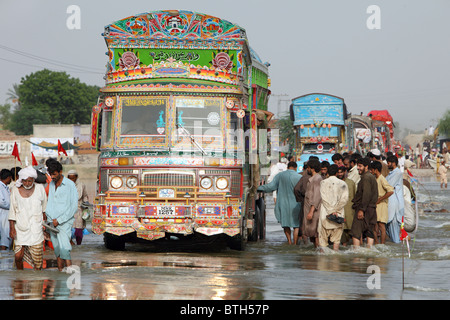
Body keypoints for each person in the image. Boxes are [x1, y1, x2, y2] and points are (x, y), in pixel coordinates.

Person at [8, 167, 47, 270]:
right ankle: (19, 276)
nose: (27, 183)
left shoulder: (40, 188)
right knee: (18, 256)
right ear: (21, 180)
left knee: (37, 260)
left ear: (34, 180)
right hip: (20, 227)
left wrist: (46, 227)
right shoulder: (15, 190)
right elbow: (12, 210)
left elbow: (44, 209)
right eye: (25, 181)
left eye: (30, 181)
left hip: (36, 228)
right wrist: (12, 228)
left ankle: (37, 279)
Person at [45, 160, 78, 272]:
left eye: (54, 174)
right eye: (51, 175)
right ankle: (61, 275)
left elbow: (73, 207)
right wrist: (48, 221)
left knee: (65, 249)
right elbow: (49, 204)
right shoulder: (51, 184)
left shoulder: (70, 185)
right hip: (51, 223)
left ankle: (70, 276)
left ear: (60, 172)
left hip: (64, 222)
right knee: (57, 251)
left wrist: (59, 220)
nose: (52, 177)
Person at [257, 161, 301, 244]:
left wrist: (259, 188)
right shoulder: (299, 177)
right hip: (296, 204)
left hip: (283, 204)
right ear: (295, 168)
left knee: (285, 224)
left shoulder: (280, 176)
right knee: (296, 225)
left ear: (287, 167)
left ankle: (289, 242)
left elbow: (270, 187)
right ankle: (295, 243)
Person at [318, 165, 348, 251]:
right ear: (336, 173)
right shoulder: (343, 184)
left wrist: (331, 211)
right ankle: (335, 262)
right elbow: (344, 200)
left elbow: (324, 198)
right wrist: (335, 211)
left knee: (323, 243)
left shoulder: (323, 182)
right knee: (336, 242)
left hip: (325, 215)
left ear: (327, 172)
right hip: (338, 215)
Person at [351, 158, 378, 248]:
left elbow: (366, 194)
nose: (358, 168)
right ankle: (369, 252)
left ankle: (356, 254)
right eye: (357, 166)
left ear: (366, 167)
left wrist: (362, 210)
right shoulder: (371, 177)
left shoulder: (366, 178)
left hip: (364, 208)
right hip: (371, 209)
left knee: (356, 231)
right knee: (369, 231)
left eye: (360, 166)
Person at [369, 161, 394, 244]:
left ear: (376, 170)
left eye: (372, 170)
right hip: (375, 205)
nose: (371, 171)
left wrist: (380, 199)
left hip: (382, 205)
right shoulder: (374, 179)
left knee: (381, 226)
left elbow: (390, 191)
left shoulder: (382, 179)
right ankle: (376, 243)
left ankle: (382, 243)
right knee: (374, 226)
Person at [302, 159, 323, 247]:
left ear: (312, 169)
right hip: (311, 211)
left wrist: (311, 211)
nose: (307, 170)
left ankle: (318, 253)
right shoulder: (312, 179)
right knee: (312, 235)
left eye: (309, 168)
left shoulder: (317, 179)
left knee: (316, 234)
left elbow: (317, 196)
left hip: (314, 212)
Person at [386, 155, 405, 243]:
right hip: (391, 203)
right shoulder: (392, 173)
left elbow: (388, 186)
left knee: (394, 232)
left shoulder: (397, 173)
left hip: (394, 204)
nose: (387, 165)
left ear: (393, 163)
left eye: (388, 163)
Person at [67, 169, 89, 245]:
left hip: (79, 208)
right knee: (69, 228)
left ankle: (79, 245)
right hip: (68, 209)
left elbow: (85, 196)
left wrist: (86, 207)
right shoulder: (65, 185)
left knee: (79, 229)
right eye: (69, 178)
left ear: (76, 177)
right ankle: (70, 242)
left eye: (73, 178)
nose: (71, 180)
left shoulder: (82, 185)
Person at [337, 166, 356, 246]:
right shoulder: (336, 183)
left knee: (353, 230)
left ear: (345, 172)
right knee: (342, 231)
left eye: (341, 172)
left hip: (350, 210)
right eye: (338, 172)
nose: (340, 174)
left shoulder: (351, 183)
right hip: (340, 210)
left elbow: (355, 196)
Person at [0, 169, 12, 251]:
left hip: (7, 214)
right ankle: (3, 255)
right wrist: (12, 206)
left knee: (7, 235)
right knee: (4, 236)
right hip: (2, 214)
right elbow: (1, 202)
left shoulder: (5, 187)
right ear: (8, 177)